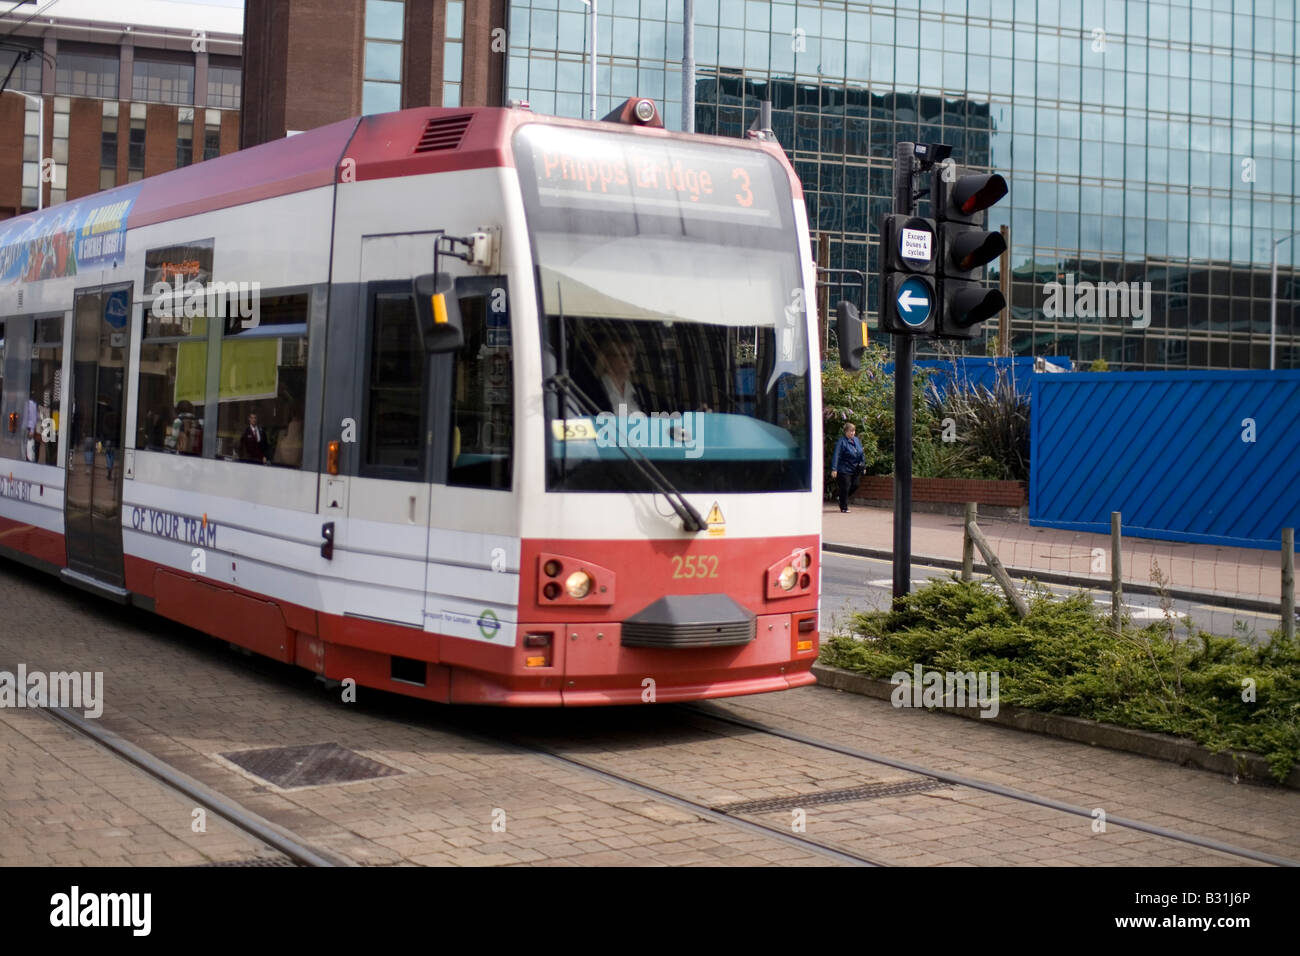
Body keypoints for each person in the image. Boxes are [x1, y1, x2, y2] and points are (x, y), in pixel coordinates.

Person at [830, 422, 865, 513]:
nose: (852, 433)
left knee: (855, 485)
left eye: (853, 431)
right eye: (850, 431)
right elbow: (836, 455)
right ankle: (844, 507)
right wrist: (834, 469)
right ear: (845, 432)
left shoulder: (857, 440)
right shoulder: (841, 442)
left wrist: (863, 465)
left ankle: (840, 497)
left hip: (855, 468)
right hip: (844, 468)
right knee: (846, 487)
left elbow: (861, 453)